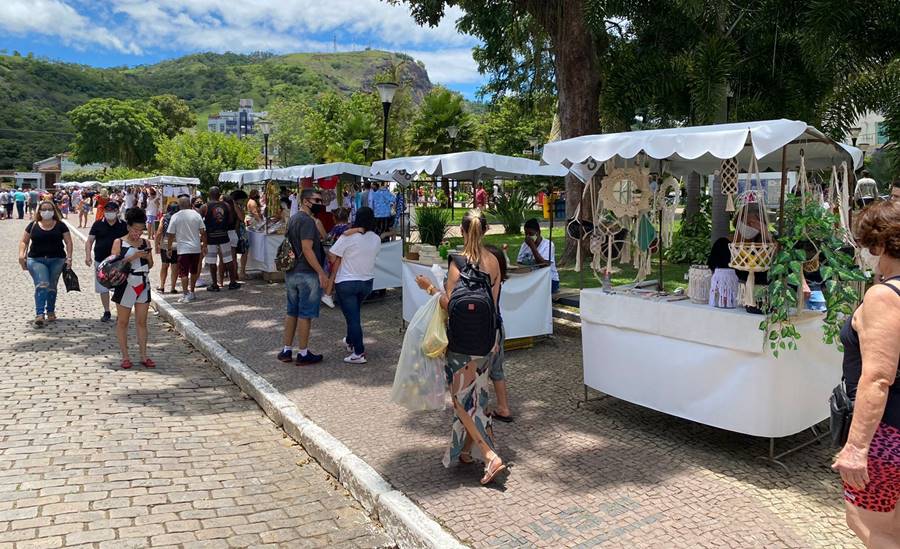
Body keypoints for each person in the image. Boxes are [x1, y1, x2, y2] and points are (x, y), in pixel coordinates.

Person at [415, 210, 508, 485]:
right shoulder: (494, 262)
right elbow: (494, 304)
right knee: (476, 394)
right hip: (487, 339)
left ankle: (490, 455)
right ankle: (466, 451)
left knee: (460, 400)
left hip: (461, 341)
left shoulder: (457, 262)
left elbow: (450, 305)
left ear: (464, 232)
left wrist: (430, 289)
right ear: (485, 231)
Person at [832, 200, 900, 547]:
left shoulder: (885, 297)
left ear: (880, 244)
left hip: (887, 434)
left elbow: (877, 378)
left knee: (871, 527)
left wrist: (856, 448)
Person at [325, 207, 381, 364]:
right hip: (367, 282)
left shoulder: (348, 237)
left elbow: (331, 254)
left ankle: (359, 352)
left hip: (346, 282)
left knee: (353, 318)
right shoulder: (376, 238)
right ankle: (350, 340)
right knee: (354, 314)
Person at [278, 189, 327, 366]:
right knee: (305, 314)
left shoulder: (293, 219)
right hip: (306, 272)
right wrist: (321, 272)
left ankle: (286, 349)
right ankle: (303, 353)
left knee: (292, 311)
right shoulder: (306, 221)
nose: (320, 203)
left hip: (292, 272)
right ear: (306, 201)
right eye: (317, 200)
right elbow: (307, 249)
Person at [109, 208, 154, 369]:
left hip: (143, 283)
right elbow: (113, 266)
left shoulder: (146, 243)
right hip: (125, 284)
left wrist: (148, 257)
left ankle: (144, 355)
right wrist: (133, 256)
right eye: (135, 229)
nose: (138, 233)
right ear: (128, 227)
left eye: (141, 230)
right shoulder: (118, 242)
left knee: (142, 322)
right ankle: (125, 356)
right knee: (123, 321)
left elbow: (151, 265)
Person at [18, 200, 73, 327]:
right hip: (36, 259)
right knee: (42, 284)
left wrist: (69, 258)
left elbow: (68, 242)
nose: (47, 212)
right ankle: (39, 314)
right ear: (39, 211)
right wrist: (21, 254)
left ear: (54, 211)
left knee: (52, 286)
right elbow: (24, 241)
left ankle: (51, 310)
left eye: (50, 209)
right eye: (44, 209)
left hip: (57, 259)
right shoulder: (33, 225)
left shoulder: (60, 225)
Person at [85, 201, 128, 322]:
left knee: (119, 286)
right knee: (102, 287)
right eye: (107, 210)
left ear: (117, 211)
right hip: (101, 260)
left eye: (112, 210)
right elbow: (89, 241)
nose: (110, 213)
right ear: (104, 211)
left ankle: (120, 311)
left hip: (119, 262)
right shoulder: (98, 224)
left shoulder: (123, 225)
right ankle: (107, 311)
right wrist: (88, 255)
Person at [484, 244, 513, 422]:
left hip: (490, 328)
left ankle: (482, 408)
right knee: (496, 370)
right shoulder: (498, 280)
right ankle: (503, 408)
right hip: (497, 327)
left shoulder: (490, 282)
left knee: (483, 370)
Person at [166, 196, 207, 303]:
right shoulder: (196, 215)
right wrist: (205, 245)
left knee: (183, 273)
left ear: (179, 205)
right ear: (190, 204)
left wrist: (169, 248)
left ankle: (185, 294)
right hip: (195, 247)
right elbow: (203, 232)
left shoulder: (175, 216)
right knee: (193, 271)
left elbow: (170, 234)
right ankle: (192, 292)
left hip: (183, 249)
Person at [200, 187, 238, 291]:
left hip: (210, 237)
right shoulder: (226, 205)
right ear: (218, 194)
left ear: (209, 194)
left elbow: (199, 222)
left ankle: (214, 284)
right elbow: (230, 220)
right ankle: (232, 282)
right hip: (224, 235)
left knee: (212, 261)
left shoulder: (205, 206)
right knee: (228, 259)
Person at [517, 218, 560, 294]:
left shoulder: (548, 245)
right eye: (526, 234)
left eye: (530, 234)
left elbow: (544, 265)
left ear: (538, 232)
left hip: (549, 280)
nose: (528, 237)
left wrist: (532, 247)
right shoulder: (524, 245)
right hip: (531, 279)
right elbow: (519, 264)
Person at [155, 203, 180, 294]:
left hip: (165, 244)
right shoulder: (179, 218)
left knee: (164, 265)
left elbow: (159, 231)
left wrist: (156, 244)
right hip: (177, 245)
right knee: (175, 267)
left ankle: (162, 286)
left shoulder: (164, 218)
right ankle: (173, 288)